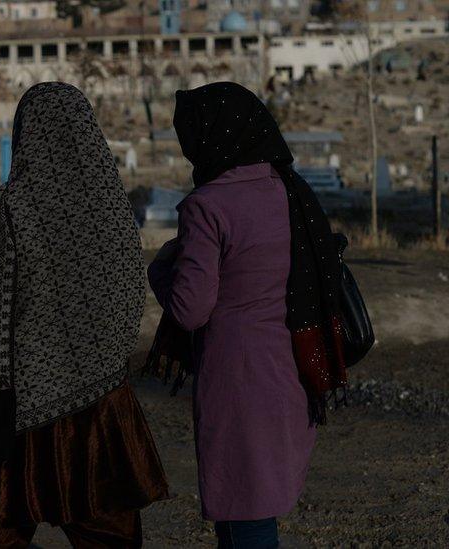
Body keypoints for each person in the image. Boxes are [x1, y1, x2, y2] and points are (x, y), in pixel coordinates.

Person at [0, 82, 169, 548]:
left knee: (6, 527)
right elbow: (132, 295)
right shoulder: (112, 209)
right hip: (99, 403)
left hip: (17, 407)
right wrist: (100, 359)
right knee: (110, 533)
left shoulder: (3, 212)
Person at [147, 82, 348, 548]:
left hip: (238, 383)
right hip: (289, 373)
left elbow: (190, 308)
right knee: (257, 508)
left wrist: (161, 268)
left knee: (245, 516)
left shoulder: (209, 206)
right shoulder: (290, 192)